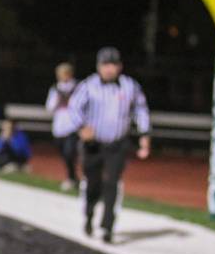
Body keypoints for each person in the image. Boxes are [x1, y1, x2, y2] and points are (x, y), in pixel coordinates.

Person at [63, 46, 151, 243]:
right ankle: (89, 213)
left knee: (112, 183)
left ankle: (107, 227)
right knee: (93, 183)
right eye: (105, 65)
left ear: (120, 66)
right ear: (99, 67)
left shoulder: (130, 86)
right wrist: (82, 127)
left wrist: (144, 135)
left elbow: (141, 109)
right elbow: (74, 107)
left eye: (113, 65)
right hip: (93, 144)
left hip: (117, 143)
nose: (109, 69)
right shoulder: (88, 85)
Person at [45, 62, 79, 190]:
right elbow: (49, 107)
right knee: (64, 153)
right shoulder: (55, 88)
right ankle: (73, 176)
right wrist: (58, 100)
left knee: (69, 152)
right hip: (59, 127)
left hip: (73, 126)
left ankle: (72, 178)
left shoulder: (78, 87)